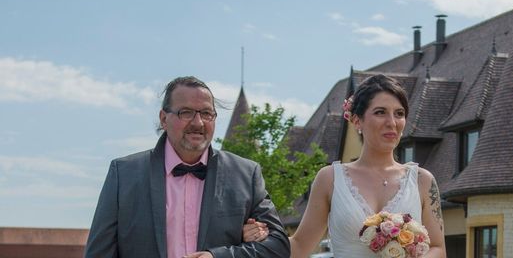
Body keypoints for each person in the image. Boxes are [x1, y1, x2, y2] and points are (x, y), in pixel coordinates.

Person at [85, 76, 290, 258]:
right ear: (164, 119)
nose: (198, 122)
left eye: (207, 113)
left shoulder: (246, 174)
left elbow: (278, 247)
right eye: (186, 112)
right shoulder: (124, 174)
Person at [243, 74, 446, 257]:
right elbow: (299, 245)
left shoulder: (422, 180)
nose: (392, 122)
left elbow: (438, 248)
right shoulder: (329, 179)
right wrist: (261, 241)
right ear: (357, 121)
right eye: (380, 112)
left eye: (399, 113)